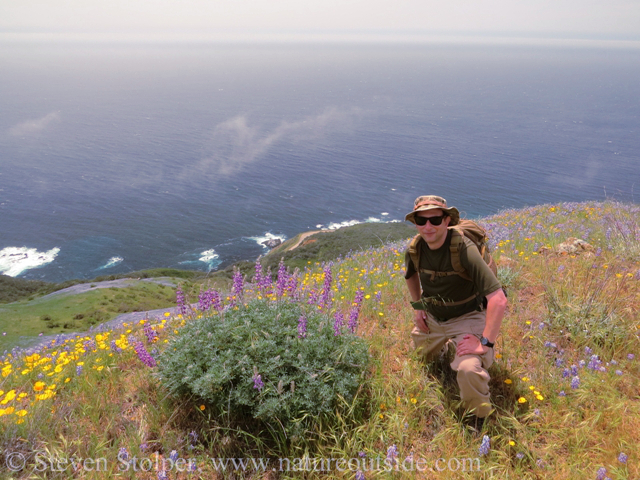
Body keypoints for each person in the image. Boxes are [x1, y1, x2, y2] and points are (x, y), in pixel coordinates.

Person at [404, 195, 507, 428]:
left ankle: (477, 418)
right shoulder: (416, 247)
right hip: (433, 315)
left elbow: (498, 300)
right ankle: (447, 347)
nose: (428, 226)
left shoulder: (463, 248)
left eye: (435, 219)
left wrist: (485, 343)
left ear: (447, 220)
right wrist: (418, 307)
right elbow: (410, 275)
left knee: (469, 369)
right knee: (420, 359)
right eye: (421, 220)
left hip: (467, 316)